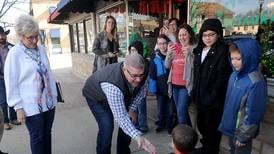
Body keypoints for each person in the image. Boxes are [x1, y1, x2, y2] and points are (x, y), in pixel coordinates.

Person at [4, 14, 58, 154]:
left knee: (47, 134)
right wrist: (18, 107)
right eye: (30, 37)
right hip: (30, 106)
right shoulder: (14, 54)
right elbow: (11, 83)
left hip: (49, 102)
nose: (35, 40)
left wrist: (55, 94)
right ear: (21, 36)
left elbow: (49, 73)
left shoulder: (41, 49)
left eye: (36, 36)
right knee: (37, 137)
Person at [82, 53, 156, 154]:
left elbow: (141, 92)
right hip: (96, 97)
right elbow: (121, 118)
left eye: (141, 75)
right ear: (125, 70)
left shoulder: (143, 72)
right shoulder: (113, 86)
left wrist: (131, 109)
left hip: (121, 93)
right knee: (107, 126)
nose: (138, 79)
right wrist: (138, 136)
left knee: (130, 119)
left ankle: (123, 151)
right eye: (134, 76)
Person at [218, 39, 267, 154]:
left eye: (238, 59)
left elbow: (254, 114)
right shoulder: (234, 75)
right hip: (232, 129)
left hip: (241, 132)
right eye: (232, 58)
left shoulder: (256, 82)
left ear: (249, 57)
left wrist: (243, 136)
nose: (234, 62)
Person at [191, 18, 232, 154]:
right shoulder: (199, 50)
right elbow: (197, 75)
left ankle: (211, 150)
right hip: (200, 98)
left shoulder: (223, 51)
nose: (207, 38)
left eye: (211, 34)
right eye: (204, 35)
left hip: (213, 102)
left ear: (218, 34)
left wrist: (211, 97)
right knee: (202, 126)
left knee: (212, 130)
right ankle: (205, 148)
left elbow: (221, 79)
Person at [165, 24, 197, 126]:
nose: (182, 37)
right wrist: (169, 53)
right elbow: (167, 65)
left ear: (190, 35)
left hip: (185, 86)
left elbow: (195, 68)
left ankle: (184, 138)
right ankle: (190, 134)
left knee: (181, 113)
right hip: (174, 84)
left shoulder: (194, 49)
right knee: (181, 112)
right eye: (180, 35)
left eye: (184, 35)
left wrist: (189, 54)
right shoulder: (176, 48)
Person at [149, 34, 172, 132]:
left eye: (164, 43)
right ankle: (161, 123)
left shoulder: (172, 54)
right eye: (160, 44)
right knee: (160, 107)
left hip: (170, 86)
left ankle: (169, 125)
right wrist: (153, 88)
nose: (162, 46)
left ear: (167, 44)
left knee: (170, 108)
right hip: (160, 86)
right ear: (157, 45)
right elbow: (152, 73)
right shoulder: (154, 56)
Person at [0, 26, 20, 131]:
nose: (1, 37)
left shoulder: (12, 48)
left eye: (2, 34)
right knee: (3, 101)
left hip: (12, 78)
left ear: (5, 35)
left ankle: (13, 118)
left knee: (13, 97)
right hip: (1, 78)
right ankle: (6, 121)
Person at [128, 41, 149, 133]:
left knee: (141, 108)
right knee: (133, 108)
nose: (133, 53)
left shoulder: (144, 62)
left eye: (135, 50)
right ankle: (135, 125)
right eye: (132, 50)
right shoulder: (128, 61)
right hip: (132, 89)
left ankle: (143, 126)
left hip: (141, 88)